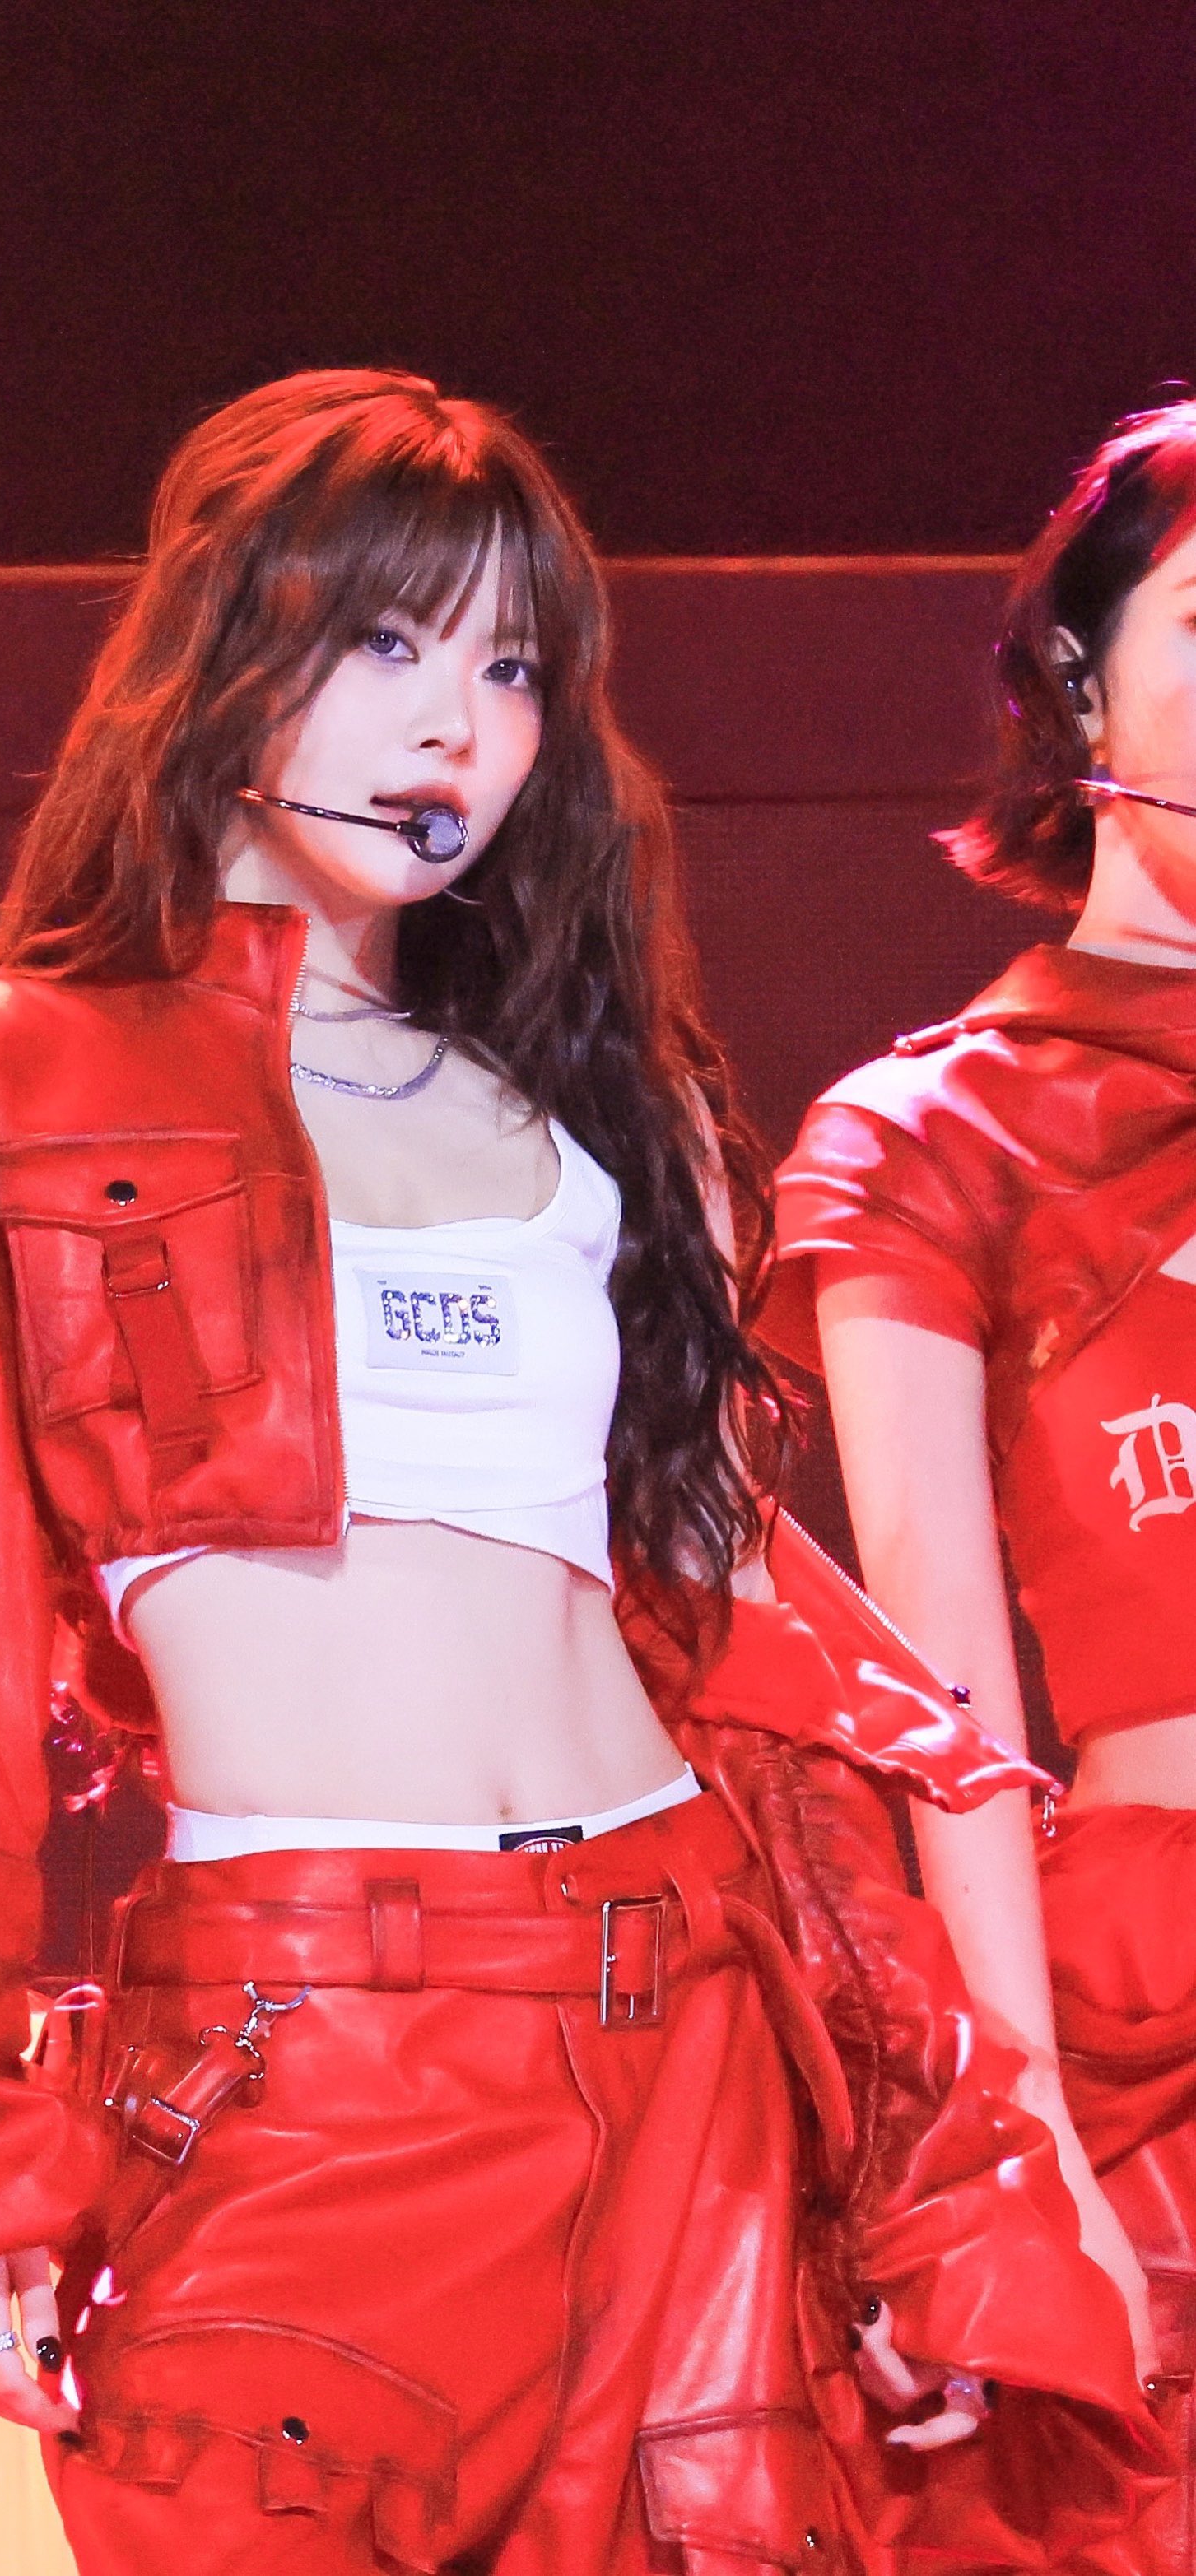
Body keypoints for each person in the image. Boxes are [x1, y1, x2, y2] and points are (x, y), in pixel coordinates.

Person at [0, 369, 1160, 2574]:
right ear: (227, 650)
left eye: (512, 671)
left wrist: (929, 2162)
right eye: (388, 641)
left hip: (684, 2017)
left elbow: (759, 1678)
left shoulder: (610, 1118)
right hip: (304, 2052)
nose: (456, 729)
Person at [768, 398, 1196, 2570]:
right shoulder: (931, 1139)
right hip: (1149, 2011)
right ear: (1077, 684)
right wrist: (1010, 2144)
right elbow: (935, 1697)